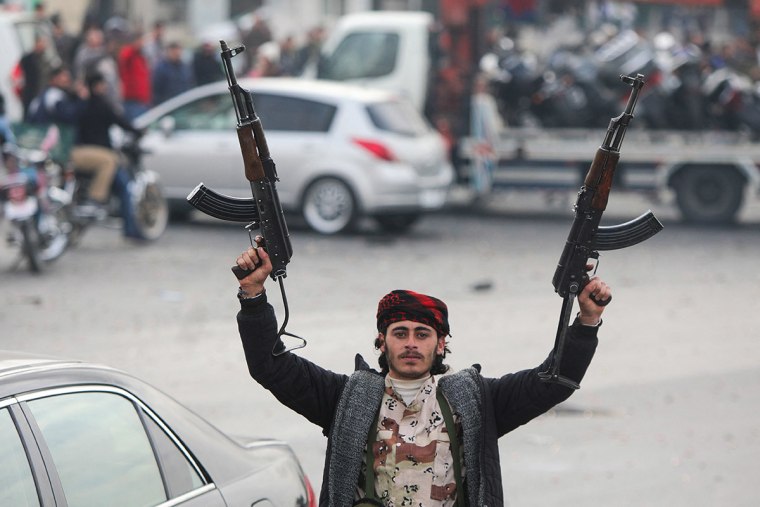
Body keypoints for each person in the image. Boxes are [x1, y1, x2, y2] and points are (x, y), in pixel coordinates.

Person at [233, 239, 609, 506]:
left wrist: (587, 321)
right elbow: (271, 367)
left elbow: (553, 382)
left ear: (440, 343)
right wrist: (253, 297)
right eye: (400, 333)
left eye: (422, 334)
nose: (411, 343)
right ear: (382, 342)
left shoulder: (475, 400)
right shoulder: (347, 398)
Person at [71, 71, 144, 240]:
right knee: (124, 188)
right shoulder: (102, 104)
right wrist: (138, 131)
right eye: (103, 84)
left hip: (79, 154)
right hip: (99, 155)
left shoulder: (80, 105)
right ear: (97, 86)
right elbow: (122, 122)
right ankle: (130, 229)